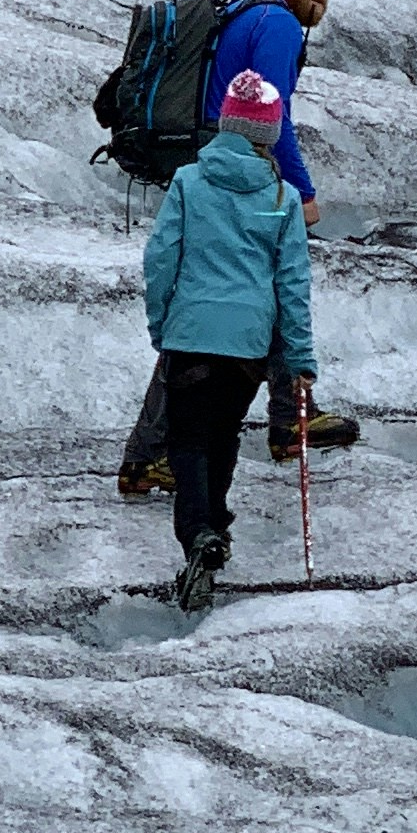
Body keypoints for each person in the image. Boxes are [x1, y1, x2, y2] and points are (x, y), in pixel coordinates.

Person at [116, 0, 361, 497]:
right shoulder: (274, 25)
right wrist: (300, 190)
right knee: (247, 294)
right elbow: (277, 116)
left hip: (211, 166)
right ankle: (150, 453)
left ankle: (287, 419)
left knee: (227, 298)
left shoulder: (248, 13)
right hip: (242, 173)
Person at [138, 67, 316, 617]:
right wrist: (301, 356)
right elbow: (292, 281)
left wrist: (160, 321)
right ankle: (215, 525)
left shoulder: (190, 182)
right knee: (224, 435)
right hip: (248, 346)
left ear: (225, 126)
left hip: (192, 333)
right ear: (267, 137)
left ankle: (199, 532)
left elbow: (160, 256)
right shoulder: (282, 198)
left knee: (186, 439)